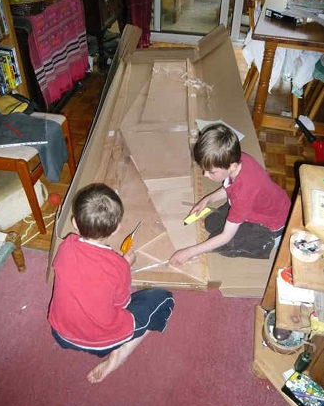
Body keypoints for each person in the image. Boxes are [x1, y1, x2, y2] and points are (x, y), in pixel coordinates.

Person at [48, 183, 174, 384]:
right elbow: (122, 304)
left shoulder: (66, 246)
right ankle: (119, 354)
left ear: (74, 223)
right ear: (117, 229)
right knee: (164, 299)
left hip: (61, 333)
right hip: (102, 342)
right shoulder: (118, 266)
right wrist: (125, 264)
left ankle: (115, 348)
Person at [170, 124, 291, 265]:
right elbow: (229, 186)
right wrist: (207, 200)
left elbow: (226, 236)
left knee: (223, 244)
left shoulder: (243, 194)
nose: (205, 175)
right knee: (210, 223)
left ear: (232, 166)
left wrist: (189, 252)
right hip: (256, 205)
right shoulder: (238, 160)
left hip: (270, 226)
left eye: (211, 172)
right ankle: (243, 223)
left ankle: (273, 240)